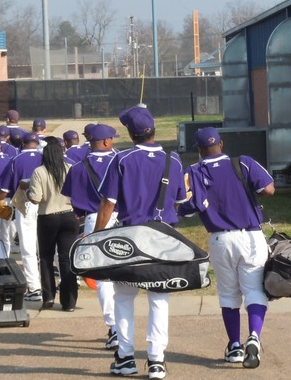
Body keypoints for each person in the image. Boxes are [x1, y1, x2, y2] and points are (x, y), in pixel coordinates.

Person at [94, 106, 187, 379]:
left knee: (123, 298)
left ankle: (125, 357)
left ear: (130, 133)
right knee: (159, 298)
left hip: (130, 235)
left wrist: (99, 236)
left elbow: (107, 203)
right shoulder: (174, 159)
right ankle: (156, 360)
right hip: (163, 234)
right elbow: (179, 202)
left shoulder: (121, 159)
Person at [178, 127, 275, 369]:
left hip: (220, 240)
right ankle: (254, 337)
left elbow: (186, 210)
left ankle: (234, 346)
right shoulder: (243, 163)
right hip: (251, 237)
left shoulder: (193, 172)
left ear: (199, 150)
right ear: (221, 144)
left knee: (229, 294)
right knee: (254, 290)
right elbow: (269, 189)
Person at [61, 123, 120, 350]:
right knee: (121, 276)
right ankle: (122, 326)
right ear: (106, 141)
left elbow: (70, 198)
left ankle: (114, 327)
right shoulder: (121, 161)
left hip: (93, 219)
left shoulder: (78, 167)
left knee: (103, 277)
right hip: (121, 218)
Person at [27, 136, 80, 312]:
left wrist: (27, 193)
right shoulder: (70, 168)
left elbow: (35, 199)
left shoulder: (39, 172)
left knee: (46, 257)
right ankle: (69, 301)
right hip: (68, 215)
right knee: (66, 259)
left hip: (47, 217)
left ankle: (48, 296)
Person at [0, 132, 43, 300]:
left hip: (26, 204)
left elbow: (4, 190)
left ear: (23, 143)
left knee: (28, 248)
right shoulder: (45, 157)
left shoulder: (15, 159)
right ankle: (49, 285)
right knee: (45, 248)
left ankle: (34, 288)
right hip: (46, 204)